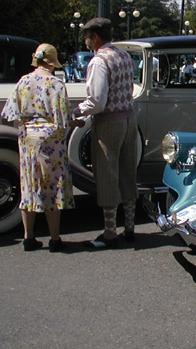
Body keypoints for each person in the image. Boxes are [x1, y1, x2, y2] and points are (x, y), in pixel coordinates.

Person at [1, 43, 77, 252]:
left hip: (27, 136)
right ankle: (54, 238)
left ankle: (28, 237)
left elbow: (9, 112)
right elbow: (63, 118)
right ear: (52, 63)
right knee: (51, 184)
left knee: (29, 184)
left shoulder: (24, 81)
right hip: (50, 137)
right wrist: (75, 123)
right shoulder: (56, 83)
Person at [73, 18, 138, 249]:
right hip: (129, 118)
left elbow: (97, 101)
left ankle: (110, 232)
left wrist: (76, 111)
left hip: (109, 121)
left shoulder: (99, 61)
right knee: (127, 171)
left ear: (96, 37)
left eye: (87, 36)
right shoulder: (125, 56)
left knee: (108, 175)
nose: (86, 40)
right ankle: (130, 227)